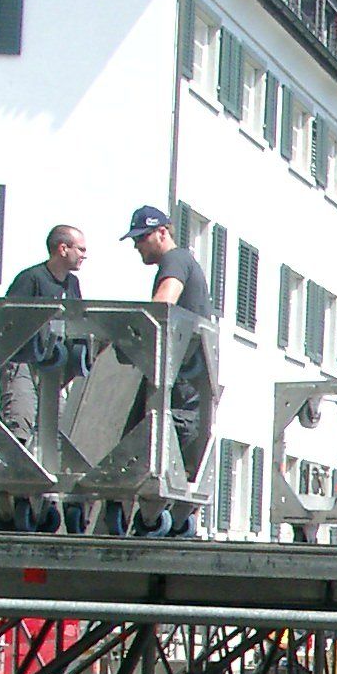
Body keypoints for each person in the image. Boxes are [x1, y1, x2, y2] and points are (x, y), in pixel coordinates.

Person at [120, 205, 214, 516]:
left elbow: (163, 305)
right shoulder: (183, 260)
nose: (137, 246)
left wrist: (125, 337)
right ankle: (160, 513)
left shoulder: (175, 259)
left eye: (141, 238)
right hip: (182, 374)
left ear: (162, 232)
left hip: (180, 376)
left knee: (152, 441)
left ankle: (149, 513)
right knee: (154, 441)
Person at [0, 226, 88, 530]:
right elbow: (7, 322)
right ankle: (14, 498)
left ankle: (47, 498)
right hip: (23, 365)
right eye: (80, 249)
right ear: (62, 249)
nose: (84, 255)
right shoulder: (31, 279)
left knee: (55, 434)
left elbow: (78, 324)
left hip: (54, 373)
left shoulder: (72, 285)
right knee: (20, 424)